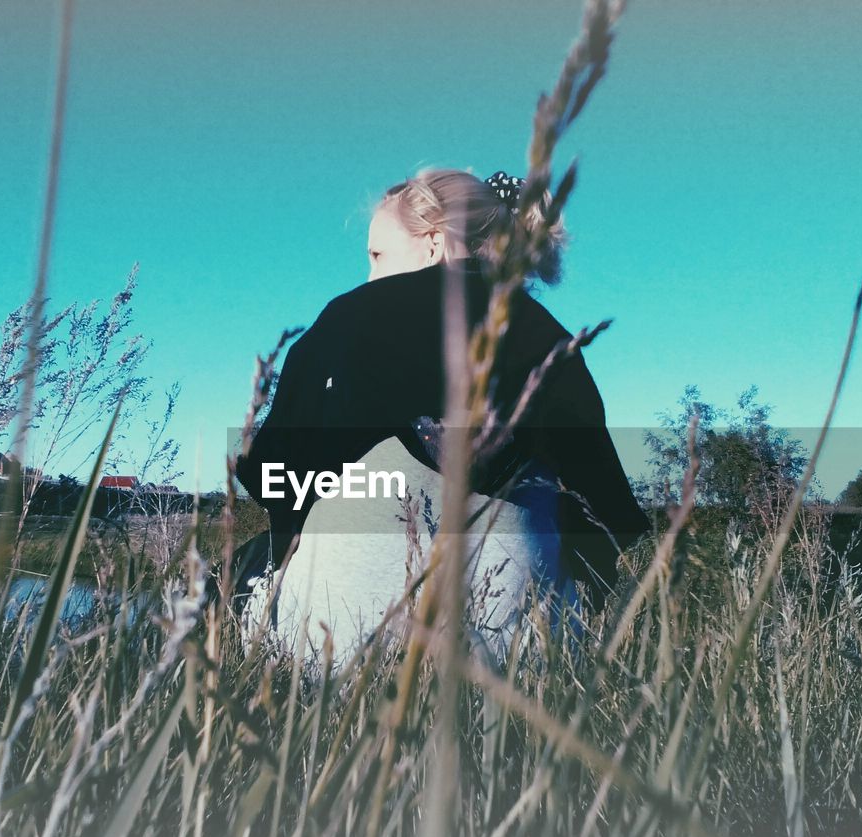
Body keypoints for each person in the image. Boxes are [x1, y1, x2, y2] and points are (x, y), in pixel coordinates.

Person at [233, 168, 649, 661]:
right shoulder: (555, 341)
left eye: (377, 255)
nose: (369, 276)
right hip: (523, 655)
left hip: (337, 653)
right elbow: (608, 520)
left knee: (244, 562)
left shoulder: (346, 317)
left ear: (434, 243)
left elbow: (274, 478)